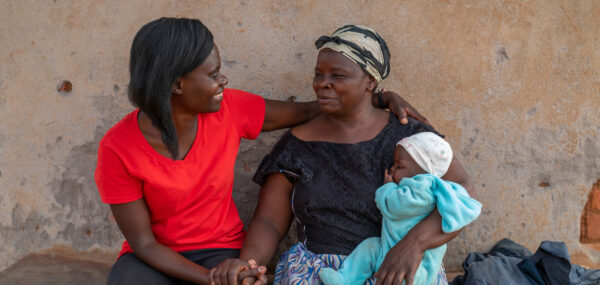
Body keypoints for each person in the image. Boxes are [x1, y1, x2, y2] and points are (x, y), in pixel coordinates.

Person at [94, 18, 425, 285]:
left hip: (219, 250)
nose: (223, 80)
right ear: (177, 85)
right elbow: (145, 244)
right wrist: (211, 280)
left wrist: (380, 97)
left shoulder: (230, 109)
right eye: (212, 75)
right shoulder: (119, 148)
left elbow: (314, 110)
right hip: (153, 258)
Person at [209, 25, 476, 285]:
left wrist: (414, 244)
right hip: (317, 272)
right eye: (318, 74)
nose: (322, 84)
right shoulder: (296, 145)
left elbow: (465, 193)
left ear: (370, 81)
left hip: (397, 267)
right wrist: (249, 264)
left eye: (337, 76)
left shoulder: (409, 137)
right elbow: (269, 221)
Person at [319, 132, 482, 285]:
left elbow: (396, 208)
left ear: (422, 169)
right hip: (389, 247)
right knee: (370, 247)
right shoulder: (414, 187)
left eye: (399, 165)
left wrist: (386, 189)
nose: (392, 169)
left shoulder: (422, 189)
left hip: (416, 265)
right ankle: (345, 279)